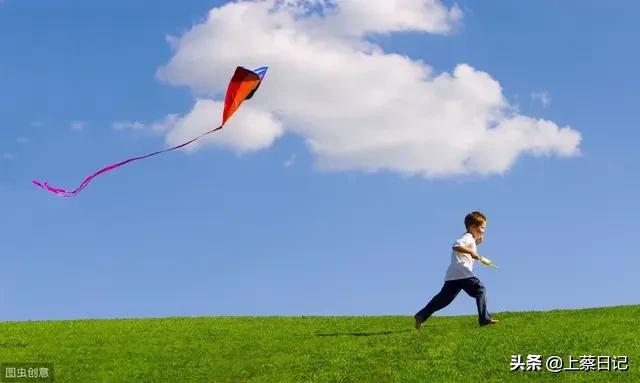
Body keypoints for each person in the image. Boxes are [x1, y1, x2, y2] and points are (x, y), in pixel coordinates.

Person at [414, 211, 499, 329]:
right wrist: (471, 251)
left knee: (443, 300)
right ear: (473, 227)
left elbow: (465, 247)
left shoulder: (470, 239)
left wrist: (476, 243)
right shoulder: (467, 237)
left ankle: (421, 316)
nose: (484, 231)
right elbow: (455, 246)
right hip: (462, 272)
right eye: (482, 228)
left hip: (453, 275)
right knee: (480, 290)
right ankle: (484, 319)